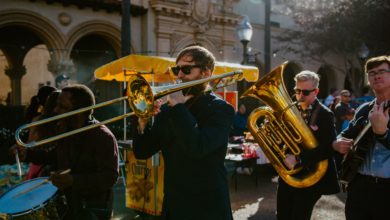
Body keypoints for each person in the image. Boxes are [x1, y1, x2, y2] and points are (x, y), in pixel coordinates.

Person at [132, 45, 234, 220]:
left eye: (186, 69)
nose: (179, 75)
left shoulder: (220, 109)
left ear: (206, 73)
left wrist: (179, 107)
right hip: (174, 203)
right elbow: (143, 151)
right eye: (176, 69)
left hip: (207, 205)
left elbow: (198, 147)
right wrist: (142, 123)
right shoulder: (169, 109)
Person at [12, 84, 119, 219]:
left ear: (79, 111)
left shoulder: (102, 136)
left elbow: (110, 176)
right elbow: (55, 155)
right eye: (57, 105)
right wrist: (27, 154)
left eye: (63, 107)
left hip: (92, 209)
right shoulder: (68, 130)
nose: (56, 110)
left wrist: (73, 180)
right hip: (70, 204)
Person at [332, 55, 390, 220]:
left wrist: (383, 134)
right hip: (359, 187)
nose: (376, 75)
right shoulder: (364, 109)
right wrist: (337, 143)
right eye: (371, 73)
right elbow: (346, 133)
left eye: (382, 71)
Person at [277, 70, 340, 220]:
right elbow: (281, 139)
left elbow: (329, 147)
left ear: (316, 91)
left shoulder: (325, 114)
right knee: (282, 216)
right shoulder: (289, 110)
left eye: (305, 92)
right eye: (297, 91)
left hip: (311, 175)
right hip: (289, 174)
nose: (300, 96)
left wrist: (298, 158)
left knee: (299, 216)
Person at [25, 90, 60, 180]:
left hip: (38, 164)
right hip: (48, 165)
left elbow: (30, 143)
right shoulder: (63, 122)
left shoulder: (37, 119)